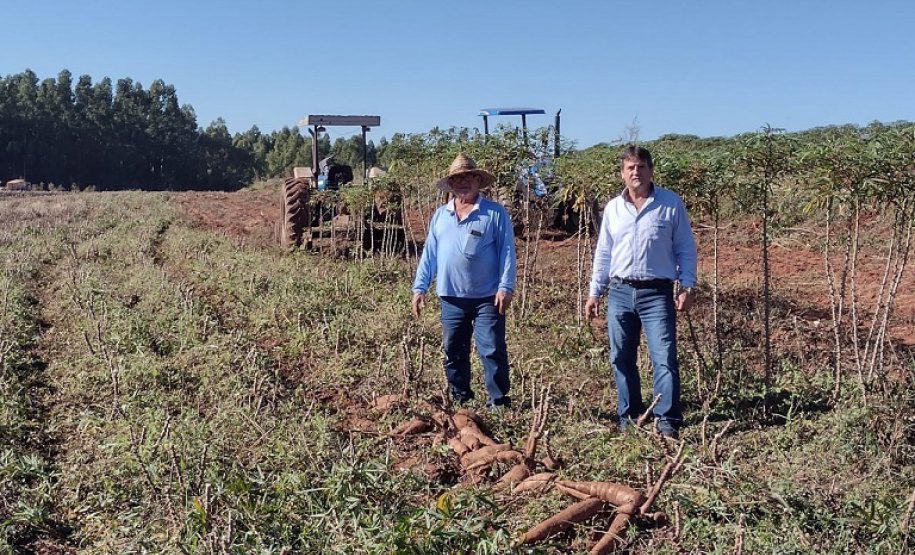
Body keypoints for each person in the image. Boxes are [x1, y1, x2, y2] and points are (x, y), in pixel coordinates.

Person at [584, 145, 697, 438]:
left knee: (664, 357)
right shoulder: (613, 208)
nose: (636, 172)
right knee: (621, 357)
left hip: (657, 293)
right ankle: (630, 416)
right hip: (620, 292)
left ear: (651, 170)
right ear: (622, 173)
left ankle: (667, 420)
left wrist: (687, 286)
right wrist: (595, 292)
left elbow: (685, 247)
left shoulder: (670, 203)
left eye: (641, 167)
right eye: (630, 168)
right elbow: (603, 252)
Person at [412, 153, 516, 408]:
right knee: (453, 350)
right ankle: (461, 399)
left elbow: (507, 251)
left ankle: (498, 401)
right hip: (451, 297)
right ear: (451, 184)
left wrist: (505, 286)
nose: (463, 182)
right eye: (457, 179)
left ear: (478, 180)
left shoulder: (494, 213)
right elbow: (430, 254)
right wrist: (420, 287)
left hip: (487, 297)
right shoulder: (441, 215)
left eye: (468, 177)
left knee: (491, 348)